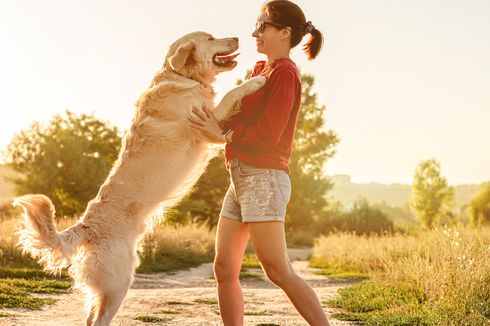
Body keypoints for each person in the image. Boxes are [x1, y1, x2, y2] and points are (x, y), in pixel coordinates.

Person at [187, 1, 329, 325]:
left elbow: (268, 134)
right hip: (240, 177)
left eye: (262, 26)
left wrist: (224, 135)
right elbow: (233, 119)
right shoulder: (257, 71)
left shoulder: (286, 73)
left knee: (278, 269)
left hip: (264, 177)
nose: (255, 32)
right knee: (224, 268)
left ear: (285, 33)